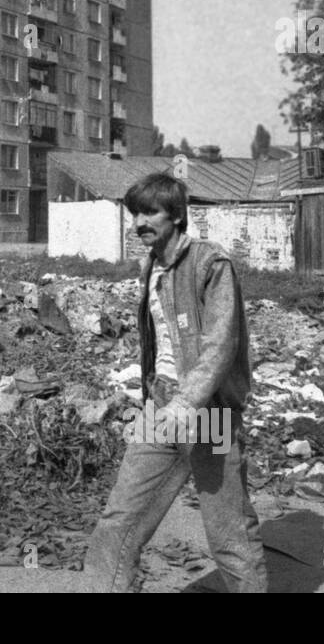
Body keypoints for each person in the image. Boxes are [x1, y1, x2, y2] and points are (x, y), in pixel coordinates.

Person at [85, 172, 268, 592]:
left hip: (209, 412)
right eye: (135, 213)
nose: (139, 223)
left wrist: (187, 404)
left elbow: (221, 343)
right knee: (122, 516)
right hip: (161, 403)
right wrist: (162, 399)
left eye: (150, 212)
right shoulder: (151, 265)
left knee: (228, 529)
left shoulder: (210, 262)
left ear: (177, 216)